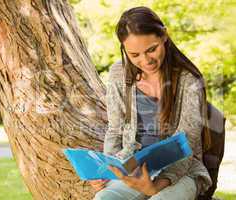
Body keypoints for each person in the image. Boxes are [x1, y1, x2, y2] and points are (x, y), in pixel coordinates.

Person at [89, 6, 212, 200]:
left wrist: (156, 187)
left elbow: (186, 146)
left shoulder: (189, 81)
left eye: (151, 49)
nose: (146, 60)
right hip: (134, 169)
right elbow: (115, 130)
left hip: (182, 172)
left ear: (164, 36)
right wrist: (108, 170)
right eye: (134, 55)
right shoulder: (119, 74)